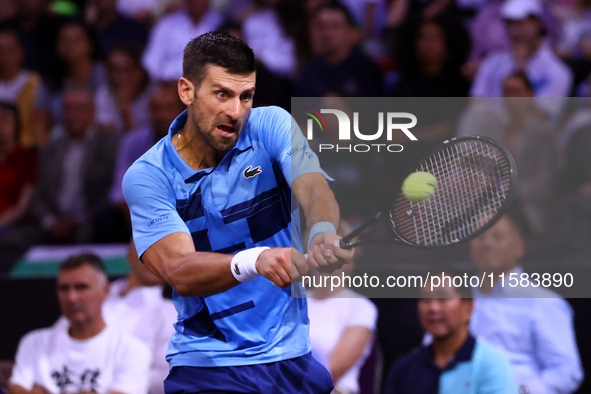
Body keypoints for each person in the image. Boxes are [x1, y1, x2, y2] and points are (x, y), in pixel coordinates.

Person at [123, 31, 353, 393]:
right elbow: (179, 270)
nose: (235, 111)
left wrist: (323, 228)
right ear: (186, 91)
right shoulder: (148, 176)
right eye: (221, 94)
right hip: (209, 366)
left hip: (290, 359)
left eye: (246, 96)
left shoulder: (270, 124)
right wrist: (254, 260)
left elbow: (312, 187)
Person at [469, 215, 583, 393]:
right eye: (480, 237)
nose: (487, 243)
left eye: (497, 237)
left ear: (519, 246)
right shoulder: (453, 300)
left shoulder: (542, 302)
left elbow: (567, 371)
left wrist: (521, 391)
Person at [8, 253, 151, 394]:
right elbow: (16, 388)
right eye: (64, 288)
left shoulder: (132, 350)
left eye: (81, 287)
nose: (71, 297)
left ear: (106, 290)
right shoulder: (34, 342)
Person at [385, 274, 517, 394]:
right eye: (425, 299)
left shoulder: (491, 364)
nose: (433, 308)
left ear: (468, 307)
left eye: (443, 299)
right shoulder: (405, 368)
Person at [470, 0, 572, 117]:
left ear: (537, 23)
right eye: (510, 24)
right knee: (476, 115)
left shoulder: (558, 72)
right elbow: (477, 100)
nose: (515, 31)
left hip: (530, 132)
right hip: (492, 125)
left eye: (520, 23)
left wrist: (520, 70)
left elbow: (539, 114)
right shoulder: (493, 61)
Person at [102, 241, 177, 394]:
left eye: (164, 253)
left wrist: (111, 385)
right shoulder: (97, 297)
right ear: (130, 253)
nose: (154, 259)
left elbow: (168, 375)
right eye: (148, 248)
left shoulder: (171, 313)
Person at [307, 243, 378, 394]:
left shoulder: (361, 307)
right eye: (319, 252)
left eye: (333, 254)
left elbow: (331, 372)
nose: (325, 259)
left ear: (350, 262)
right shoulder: (293, 302)